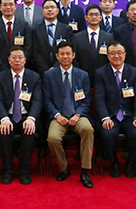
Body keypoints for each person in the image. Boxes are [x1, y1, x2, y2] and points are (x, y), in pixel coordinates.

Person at [43, 41, 94, 188]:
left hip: (78, 115)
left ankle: (85, 171)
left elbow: (86, 100)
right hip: (58, 116)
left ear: (73, 55)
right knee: (52, 138)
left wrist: (78, 115)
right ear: (57, 56)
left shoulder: (82, 75)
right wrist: (57, 115)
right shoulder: (49, 75)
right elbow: (47, 100)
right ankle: (64, 168)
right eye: (62, 54)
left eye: (68, 54)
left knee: (88, 129)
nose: (65, 56)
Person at [94, 41, 136, 179]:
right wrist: (105, 117)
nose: (116, 56)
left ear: (125, 55)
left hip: (129, 115)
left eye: (119, 53)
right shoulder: (100, 73)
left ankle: (131, 164)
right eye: (112, 53)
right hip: (110, 115)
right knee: (107, 134)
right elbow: (99, 98)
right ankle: (114, 163)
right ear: (107, 55)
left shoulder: (134, 72)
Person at [0, 47, 42, 185]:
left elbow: (37, 101)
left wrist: (32, 118)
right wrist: (4, 118)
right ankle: (7, 170)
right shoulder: (0, 77)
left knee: (29, 132)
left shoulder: (34, 77)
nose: (17, 60)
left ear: (25, 60)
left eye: (20, 57)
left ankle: (24, 170)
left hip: (27, 116)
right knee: (4, 131)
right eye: (14, 57)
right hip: (7, 116)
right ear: (9, 60)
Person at [0, 0, 32, 75]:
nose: (8, 7)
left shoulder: (24, 25)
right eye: (5, 5)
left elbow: (28, 48)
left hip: (20, 69)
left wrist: (19, 64)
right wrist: (4, 68)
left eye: (11, 4)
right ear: (0, 7)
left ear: (15, 6)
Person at [72, 4, 114, 84]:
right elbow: (74, 58)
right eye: (91, 14)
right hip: (82, 78)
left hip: (104, 78)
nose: (94, 17)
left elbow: (111, 58)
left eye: (96, 14)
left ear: (101, 18)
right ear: (86, 17)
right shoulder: (77, 37)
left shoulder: (109, 37)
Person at [31, 0, 74, 75]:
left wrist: (56, 67)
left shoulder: (66, 29)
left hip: (61, 70)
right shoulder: (35, 30)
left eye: (52, 7)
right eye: (46, 8)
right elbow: (35, 53)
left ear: (57, 10)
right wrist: (46, 70)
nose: (50, 10)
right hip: (41, 71)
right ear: (42, 11)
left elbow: (69, 50)